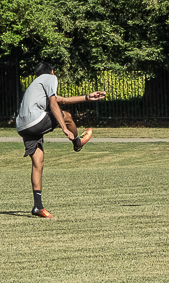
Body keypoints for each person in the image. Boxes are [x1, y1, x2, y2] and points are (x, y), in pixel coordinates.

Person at [16, 62, 107, 219]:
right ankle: (77, 143)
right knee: (68, 117)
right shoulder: (50, 78)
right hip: (35, 121)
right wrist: (64, 127)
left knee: (38, 162)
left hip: (22, 126)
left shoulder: (37, 84)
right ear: (51, 72)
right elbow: (53, 104)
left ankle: (38, 207)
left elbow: (61, 100)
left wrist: (87, 97)